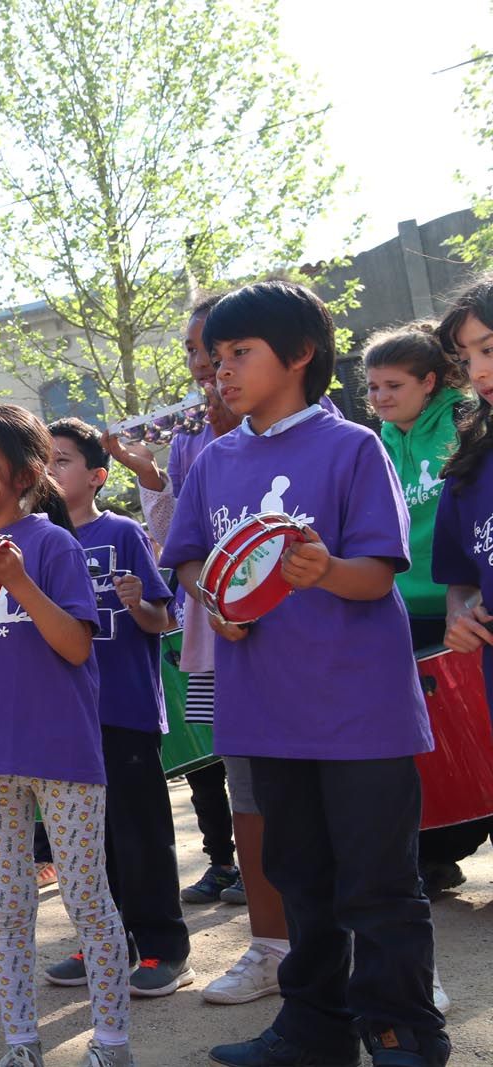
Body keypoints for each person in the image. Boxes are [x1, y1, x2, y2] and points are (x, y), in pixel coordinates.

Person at [162, 280, 446, 1067]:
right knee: (301, 880)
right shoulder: (216, 461)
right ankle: (313, 1029)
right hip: (263, 713)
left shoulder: (351, 445)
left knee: (379, 885)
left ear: (299, 354)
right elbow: (188, 556)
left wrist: (320, 569)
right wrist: (213, 599)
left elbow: (376, 574)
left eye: (239, 352)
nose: (221, 370)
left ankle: (402, 1031)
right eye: (215, 357)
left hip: (361, 712)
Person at [0, 404, 132, 1067]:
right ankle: (21, 1043)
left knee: (86, 898)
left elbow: (75, 645)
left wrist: (17, 580)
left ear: (27, 472)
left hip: (61, 751)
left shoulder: (51, 544)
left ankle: (113, 1041)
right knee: (8, 907)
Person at [107, 296, 296, 1011]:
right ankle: (271, 944)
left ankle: (366, 949)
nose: (207, 372)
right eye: (197, 357)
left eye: (222, 355)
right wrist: (151, 473)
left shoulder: (318, 437)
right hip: (221, 639)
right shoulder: (194, 442)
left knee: (326, 791)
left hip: (306, 648)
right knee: (243, 780)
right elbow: (177, 543)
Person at [47, 418, 192, 997]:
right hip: (68, 716)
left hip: (125, 710)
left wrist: (137, 604)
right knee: (87, 841)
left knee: (141, 833)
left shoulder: (123, 533)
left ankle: (162, 948)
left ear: (97, 475)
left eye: (61, 460)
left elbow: (165, 619)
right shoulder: (40, 541)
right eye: (45, 461)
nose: (50, 471)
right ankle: (105, 941)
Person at [368, 322, 487, 917]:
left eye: (394, 385)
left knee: (480, 729)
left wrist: (458, 597)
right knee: (427, 742)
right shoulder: (379, 440)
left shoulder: (468, 423)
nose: (381, 398)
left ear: (431, 382)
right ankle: (436, 854)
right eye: (372, 388)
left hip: (462, 604)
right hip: (402, 608)